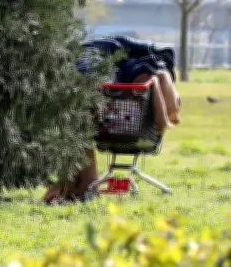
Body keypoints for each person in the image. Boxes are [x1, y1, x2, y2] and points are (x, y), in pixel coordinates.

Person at [43, 64, 182, 204]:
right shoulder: (145, 72)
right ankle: (83, 185)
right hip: (129, 130)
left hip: (112, 130)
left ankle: (83, 185)